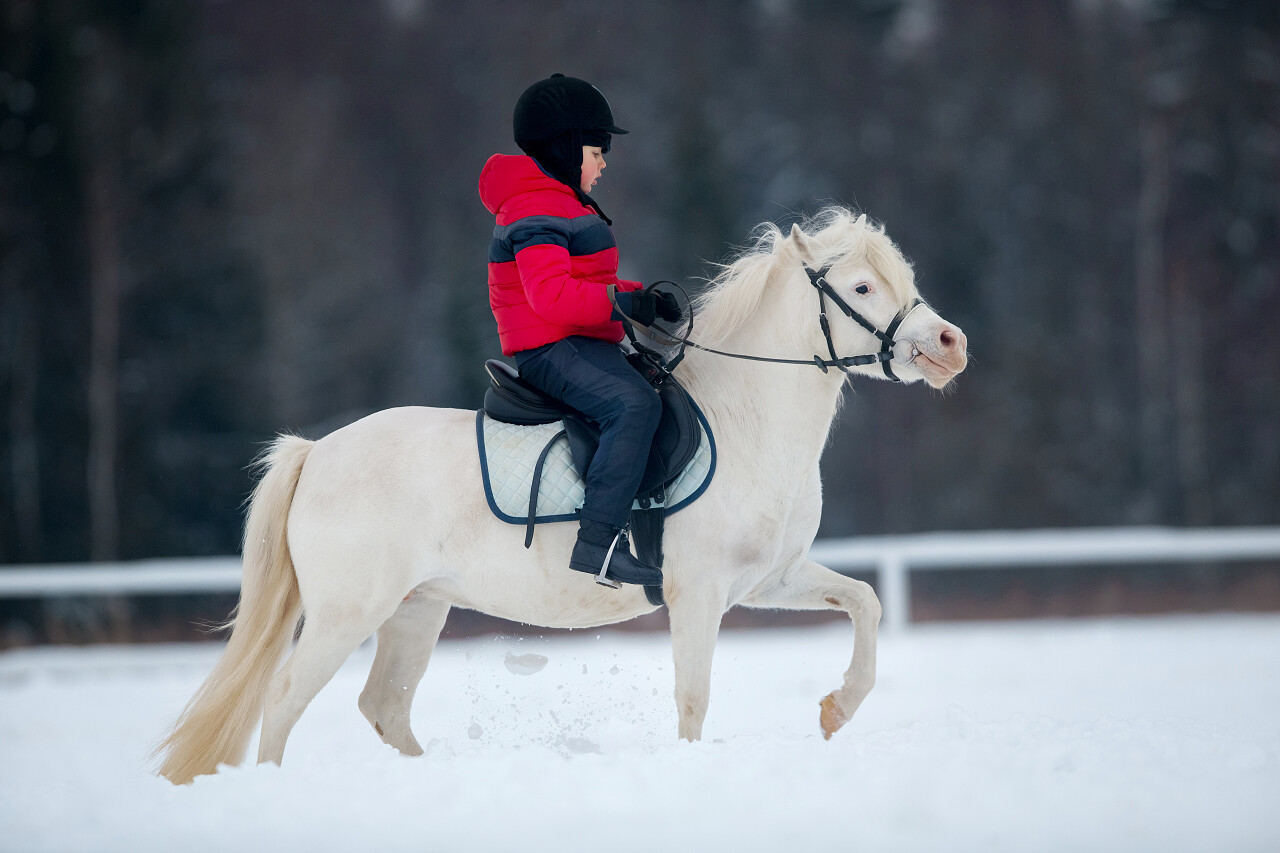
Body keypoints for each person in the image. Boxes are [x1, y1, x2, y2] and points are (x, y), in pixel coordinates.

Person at [478, 74, 680, 588]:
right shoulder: (534, 207)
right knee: (634, 404)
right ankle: (599, 543)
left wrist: (643, 298)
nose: (604, 163)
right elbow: (551, 296)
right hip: (549, 346)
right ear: (569, 149)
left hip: (576, 339)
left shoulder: (560, 201)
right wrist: (622, 302)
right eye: (598, 150)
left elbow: (588, 281)